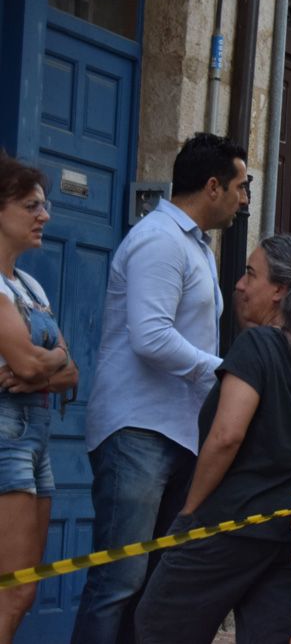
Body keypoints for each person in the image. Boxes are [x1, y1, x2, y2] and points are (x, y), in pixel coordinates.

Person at [134, 235, 291, 643]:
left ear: (280, 291)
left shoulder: (258, 345)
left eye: (251, 274)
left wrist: (190, 511)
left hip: (231, 522)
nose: (239, 284)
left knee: (159, 625)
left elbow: (226, 436)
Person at [72, 133, 249, 643]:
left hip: (177, 432)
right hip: (138, 430)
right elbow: (150, 337)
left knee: (152, 580)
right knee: (119, 578)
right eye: (240, 187)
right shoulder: (160, 239)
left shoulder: (193, 244)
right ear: (212, 186)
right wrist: (223, 373)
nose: (244, 201)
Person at [0, 154, 79, 642]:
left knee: (23, 588)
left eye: (45, 205)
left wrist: (44, 366)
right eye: (31, 205)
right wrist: (48, 364)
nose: (44, 216)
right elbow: (37, 364)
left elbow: (72, 372)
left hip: (37, 440)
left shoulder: (28, 285)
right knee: (11, 588)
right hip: (6, 436)